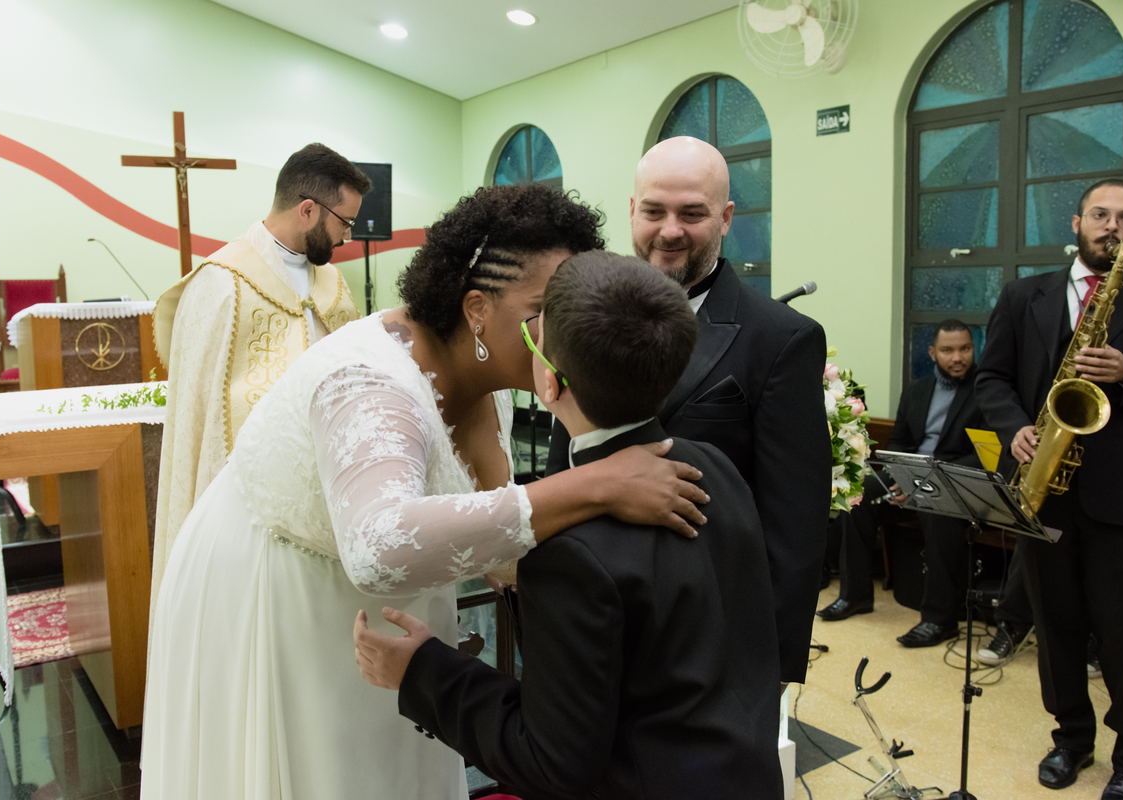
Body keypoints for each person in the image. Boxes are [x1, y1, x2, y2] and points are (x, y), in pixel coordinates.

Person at [139, 184, 709, 800]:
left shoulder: (489, 371)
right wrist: (592, 485)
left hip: (391, 604)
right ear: (477, 309)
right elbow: (380, 547)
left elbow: (498, 537)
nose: (567, 327)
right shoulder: (369, 383)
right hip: (284, 591)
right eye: (544, 310)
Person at [354, 252, 784, 800]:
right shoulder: (715, 467)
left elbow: (553, 760)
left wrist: (423, 674)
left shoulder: (569, 556)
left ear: (550, 384)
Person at [546, 136, 830, 687]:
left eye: (692, 214)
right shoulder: (578, 314)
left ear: (725, 218)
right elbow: (563, 462)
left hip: (710, 635)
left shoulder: (782, 338)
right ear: (633, 210)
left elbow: (795, 525)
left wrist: (770, 667)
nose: (670, 230)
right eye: (654, 211)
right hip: (588, 617)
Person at [976, 178, 1123, 800]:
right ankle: (1071, 738)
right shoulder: (1024, 295)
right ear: (1076, 223)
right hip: (1044, 489)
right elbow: (991, 378)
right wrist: (1014, 428)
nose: (1112, 227)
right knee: (1056, 626)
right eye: (1101, 215)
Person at [150, 143, 368, 620]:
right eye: (344, 222)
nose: (348, 235)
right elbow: (204, 421)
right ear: (308, 210)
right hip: (245, 510)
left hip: (324, 495)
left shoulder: (332, 281)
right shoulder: (221, 284)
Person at [816, 320, 992, 647]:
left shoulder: (987, 390)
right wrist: (904, 477)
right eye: (948, 350)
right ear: (933, 353)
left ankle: (939, 620)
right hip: (912, 475)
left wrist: (926, 480)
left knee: (937, 508)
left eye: (965, 349)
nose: (958, 357)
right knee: (860, 493)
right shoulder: (917, 390)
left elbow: (984, 456)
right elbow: (898, 444)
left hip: (955, 483)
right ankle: (855, 595)